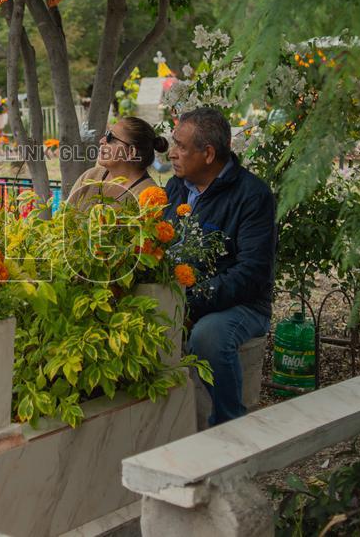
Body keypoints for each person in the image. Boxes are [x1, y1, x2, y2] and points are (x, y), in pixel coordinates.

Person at [163, 107, 276, 426]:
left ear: (208, 153)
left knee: (208, 336)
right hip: (181, 299)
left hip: (241, 307)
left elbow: (252, 274)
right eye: (174, 143)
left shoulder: (252, 195)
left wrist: (190, 302)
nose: (172, 153)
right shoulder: (176, 187)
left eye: (181, 147)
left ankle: (229, 426)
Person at [67, 116, 168, 209]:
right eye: (106, 134)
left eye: (111, 137)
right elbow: (61, 219)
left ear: (131, 152)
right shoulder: (90, 176)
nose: (102, 141)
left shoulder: (149, 196)